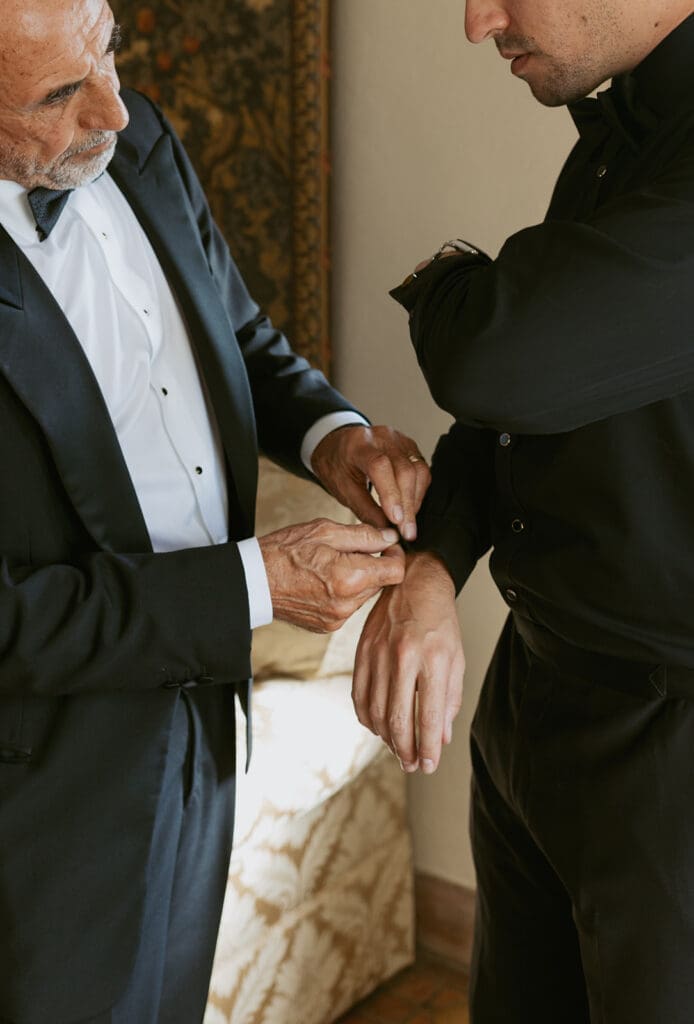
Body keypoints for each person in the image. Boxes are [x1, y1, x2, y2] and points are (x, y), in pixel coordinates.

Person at [0, 1, 434, 1022]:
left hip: (201, 715)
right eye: (60, 93)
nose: (115, 109)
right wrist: (254, 585)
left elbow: (235, 334)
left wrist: (334, 435)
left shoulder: (139, 134)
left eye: (108, 52)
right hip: (47, 779)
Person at [353, 1, 694, 1021]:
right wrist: (431, 568)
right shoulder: (619, 128)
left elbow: (492, 357)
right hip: (533, 697)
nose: (478, 21)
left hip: (670, 755)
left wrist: (446, 274)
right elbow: (521, 412)